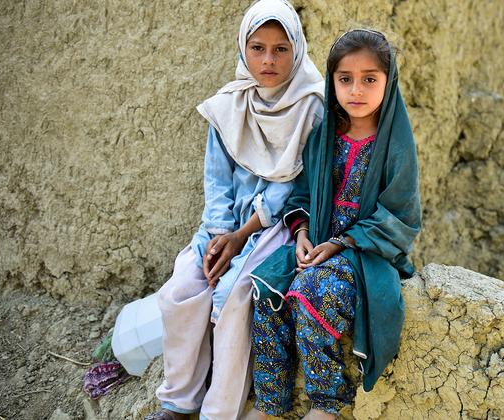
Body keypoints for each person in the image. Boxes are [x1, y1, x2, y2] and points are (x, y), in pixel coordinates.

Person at [145, 1, 324, 419]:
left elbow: (293, 188)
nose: (268, 60)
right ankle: (178, 401)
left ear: (297, 49)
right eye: (257, 47)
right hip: (225, 229)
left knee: (232, 297)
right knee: (181, 290)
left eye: (281, 49)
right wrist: (217, 237)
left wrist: (241, 236)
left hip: (274, 228)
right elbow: (216, 180)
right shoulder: (229, 105)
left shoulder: (311, 107)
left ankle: (219, 412)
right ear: (242, 48)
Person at [245, 29, 422, 419]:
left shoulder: (395, 144)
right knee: (266, 290)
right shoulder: (325, 136)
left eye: (369, 79)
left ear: (388, 82)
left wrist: (340, 244)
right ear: (333, 81)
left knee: (311, 291)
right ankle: (271, 402)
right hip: (317, 243)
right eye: (345, 79)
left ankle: (327, 402)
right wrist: (305, 235)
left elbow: (401, 217)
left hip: (365, 254)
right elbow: (302, 196)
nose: (356, 90)